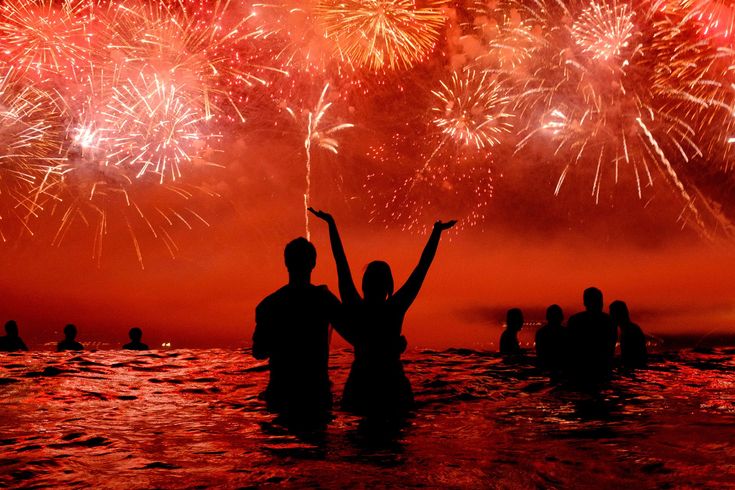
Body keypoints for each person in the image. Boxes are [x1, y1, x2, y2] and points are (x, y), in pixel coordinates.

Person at [309, 208, 456, 417]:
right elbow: (422, 268)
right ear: (388, 286)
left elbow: (340, 262)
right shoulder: (395, 308)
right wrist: (436, 232)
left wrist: (331, 224)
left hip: (361, 383)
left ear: (364, 284)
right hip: (392, 383)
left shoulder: (355, 305)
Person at [253, 237, 349, 426]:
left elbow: (259, 352)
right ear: (313, 263)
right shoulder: (324, 299)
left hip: (280, 394)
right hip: (316, 394)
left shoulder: (269, 305)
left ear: (286, 263)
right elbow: (354, 334)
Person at [566, 287, 616, 383]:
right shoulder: (609, 321)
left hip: (579, 369)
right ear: (601, 302)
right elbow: (610, 348)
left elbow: (569, 348)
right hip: (603, 369)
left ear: (585, 302)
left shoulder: (575, 320)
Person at [610, 300, 647, 369]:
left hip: (634, 368)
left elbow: (629, 357)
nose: (610, 317)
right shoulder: (631, 328)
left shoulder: (628, 331)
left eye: (612, 314)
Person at [535, 304, 566, 373]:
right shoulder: (565, 332)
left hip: (544, 366)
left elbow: (539, 352)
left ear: (547, 317)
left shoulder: (541, 333)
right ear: (561, 317)